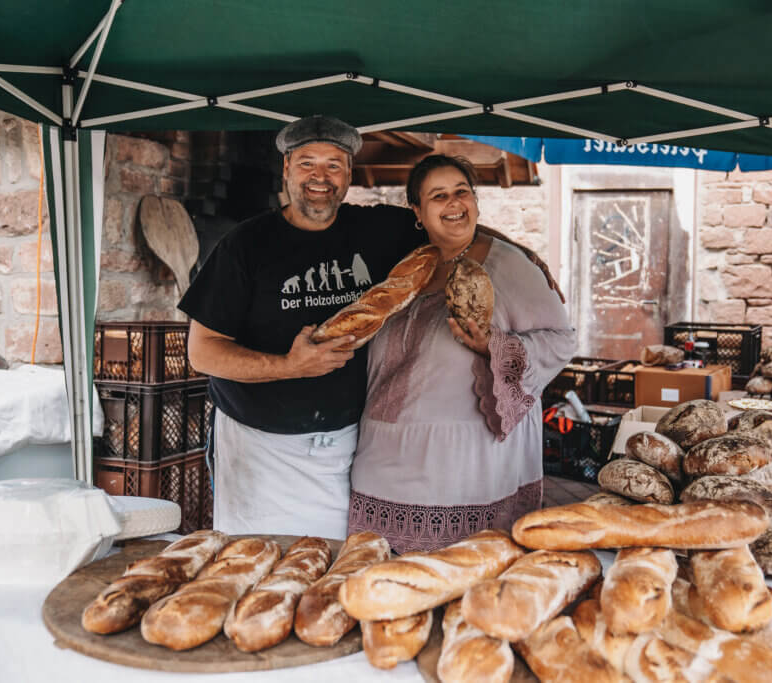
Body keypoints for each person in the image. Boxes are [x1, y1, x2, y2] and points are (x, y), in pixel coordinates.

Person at [179, 116, 561, 539]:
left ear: (348, 176)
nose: (320, 177)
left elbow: (444, 220)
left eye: (334, 165)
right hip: (263, 449)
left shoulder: (375, 229)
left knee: (330, 573)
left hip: (346, 448)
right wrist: (290, 366)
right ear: (286, 168)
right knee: (260, 567)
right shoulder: (244, 245)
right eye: (308, 163)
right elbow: (202, 352)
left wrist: (521, 251)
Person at [347, 155, 576, 553]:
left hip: (463, 472)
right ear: (417, 212)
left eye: (462, 192)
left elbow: (562, 341)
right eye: (438, 196)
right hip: (382, 467)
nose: (454, 204)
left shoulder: (509, 267)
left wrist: (496, 347)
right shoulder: (406, 265)